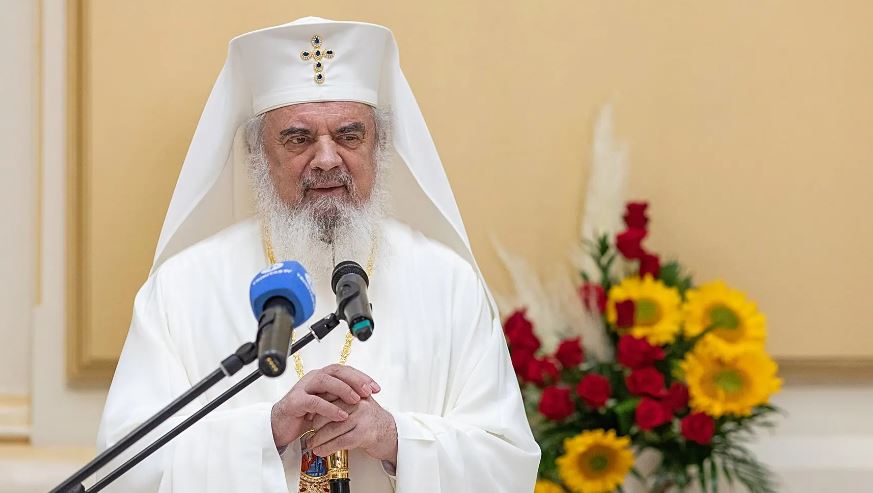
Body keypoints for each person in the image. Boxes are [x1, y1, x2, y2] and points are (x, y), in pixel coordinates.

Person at [97, 17, 540, 493]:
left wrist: (395, 439)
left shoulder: (448, 282)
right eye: (298, 138)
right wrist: (266, 432)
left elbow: (508, 462)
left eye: (349, 136)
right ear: (257, 153)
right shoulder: (182, 287)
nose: (327, 159)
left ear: (378, 146)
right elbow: (125, 471)